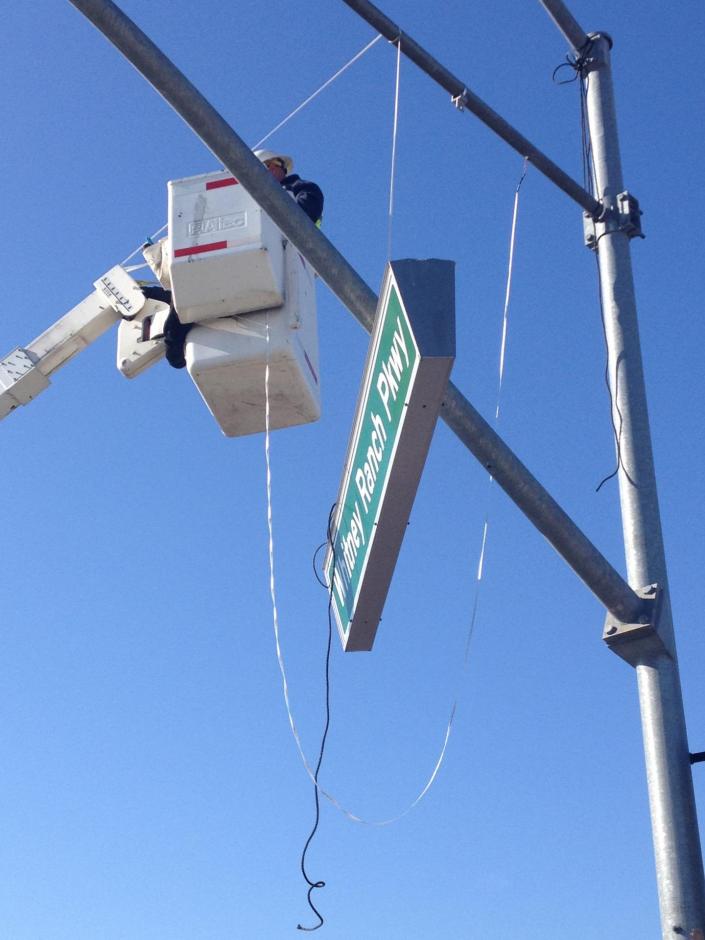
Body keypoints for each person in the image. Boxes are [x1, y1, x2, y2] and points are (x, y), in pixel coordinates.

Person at [154, 149, 323, 369]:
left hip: (282, 263)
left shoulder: (301, 189)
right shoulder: (236, 201)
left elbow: (304, 213)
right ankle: (176, 343)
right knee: (191, 296)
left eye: (270, 168)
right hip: (242, 262)